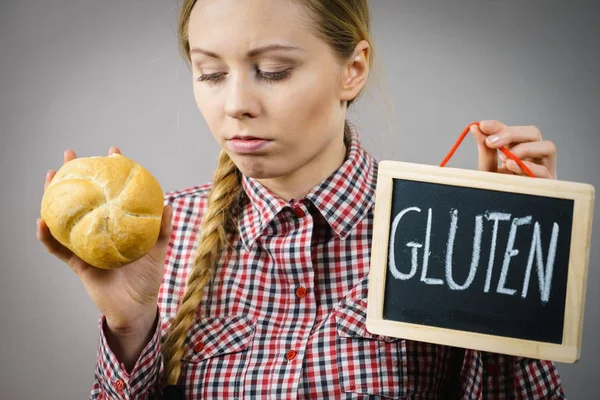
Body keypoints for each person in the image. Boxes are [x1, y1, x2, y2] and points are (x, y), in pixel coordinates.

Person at [37, 0, 563, 399]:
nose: (236, 105)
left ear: (352, 69)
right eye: (211, 74)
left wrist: (502, 272)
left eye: (273, 71)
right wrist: (131, 327)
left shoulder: (440, 233)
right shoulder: (161, 235)